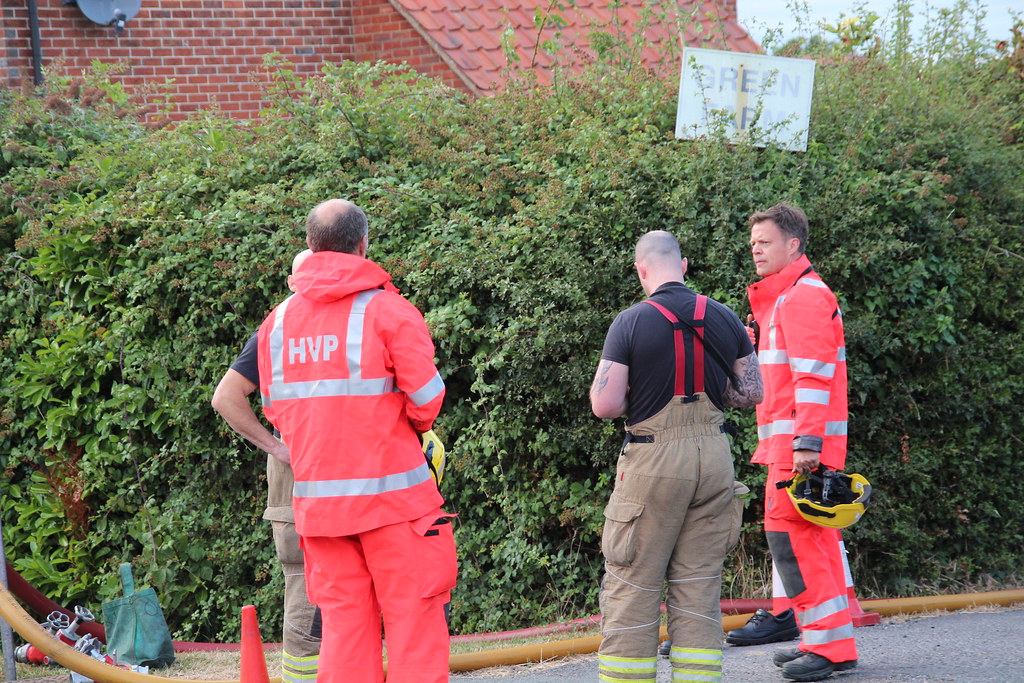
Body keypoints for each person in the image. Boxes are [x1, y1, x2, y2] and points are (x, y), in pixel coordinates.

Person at [257, 198, 454, 683]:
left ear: (309, 245)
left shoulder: (277, 324)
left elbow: (275, 410)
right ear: (363, 245)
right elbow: (427, 403)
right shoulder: (390, 311)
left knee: (344, 631)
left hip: (321, 510)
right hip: (396, 506)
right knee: (413, 623)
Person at [590, 230, 763, 683]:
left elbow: (604, 406)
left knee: (634, 582)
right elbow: (751, 394)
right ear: (683, 266)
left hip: (654, 462)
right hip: (714, 457)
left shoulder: (630, 322)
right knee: (699, 586)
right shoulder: (724, 317)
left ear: (640, 269)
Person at [745, 202, 858, 681]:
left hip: (799, 449)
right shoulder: (787, 298)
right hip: (792, 445)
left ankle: (827, 647)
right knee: (811, 540)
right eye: (752, 243)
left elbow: (813, 377)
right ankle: (830, 643)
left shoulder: (803, 297)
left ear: (793, 245)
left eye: (764, 241)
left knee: (792, 540)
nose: (755, 250)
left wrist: (807, 445)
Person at [211, 249, 321, 683]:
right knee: (309, 603)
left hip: (304, 491)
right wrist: (276, 448)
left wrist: (277, 448)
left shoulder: (276, 329)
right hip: (305, 490)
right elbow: (224, 397)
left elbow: (226, 396)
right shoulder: (352, 323)